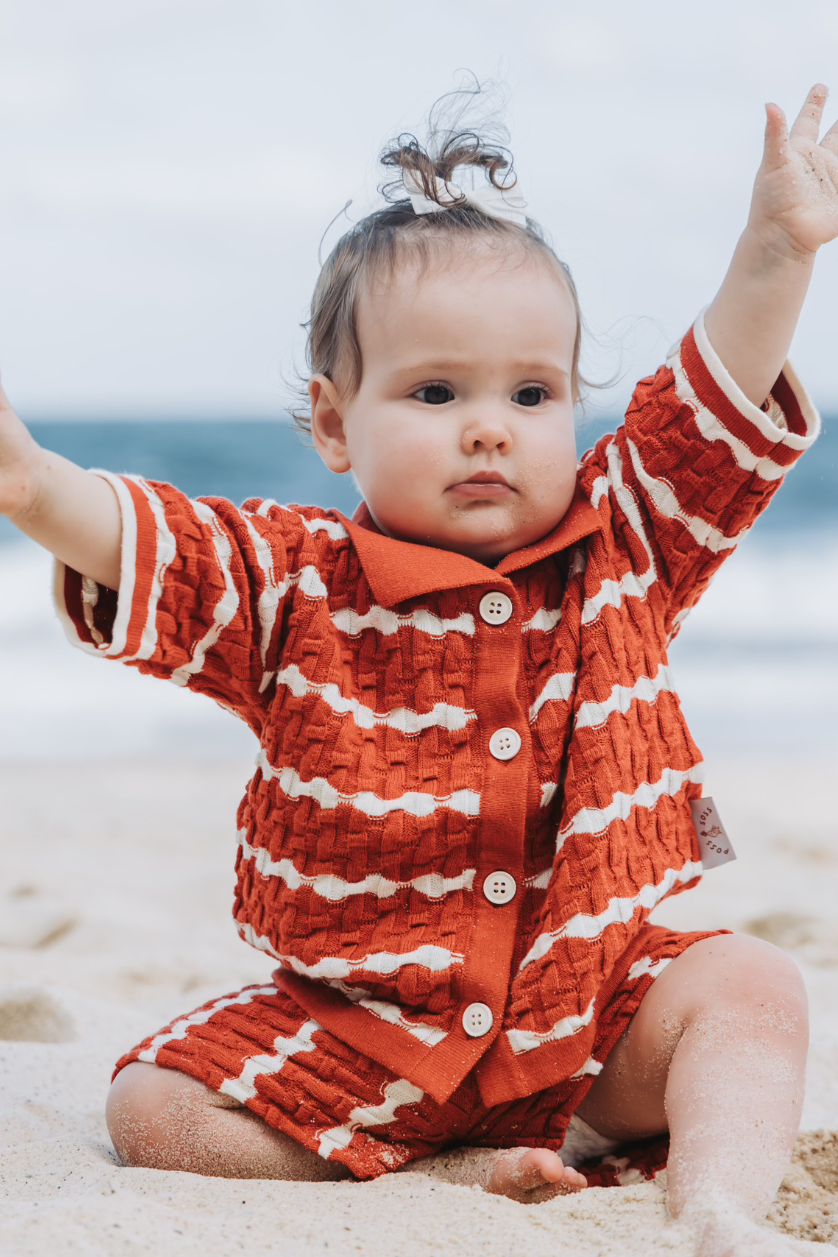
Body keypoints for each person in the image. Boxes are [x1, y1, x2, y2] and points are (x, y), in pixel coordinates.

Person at [0, 82, 833, 1256]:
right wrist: (35, 487)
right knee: (152, 1108)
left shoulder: (624, 544)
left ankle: (718, 1210)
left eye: (532, 393)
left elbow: (715, 401)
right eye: (435, 393)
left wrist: (775, 247)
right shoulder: (297, 587)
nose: (490, 426)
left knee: (751, 987)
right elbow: (164, 546)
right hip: (370, 1037)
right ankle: (460, 1172)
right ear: (336, 426)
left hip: (586, 1020)